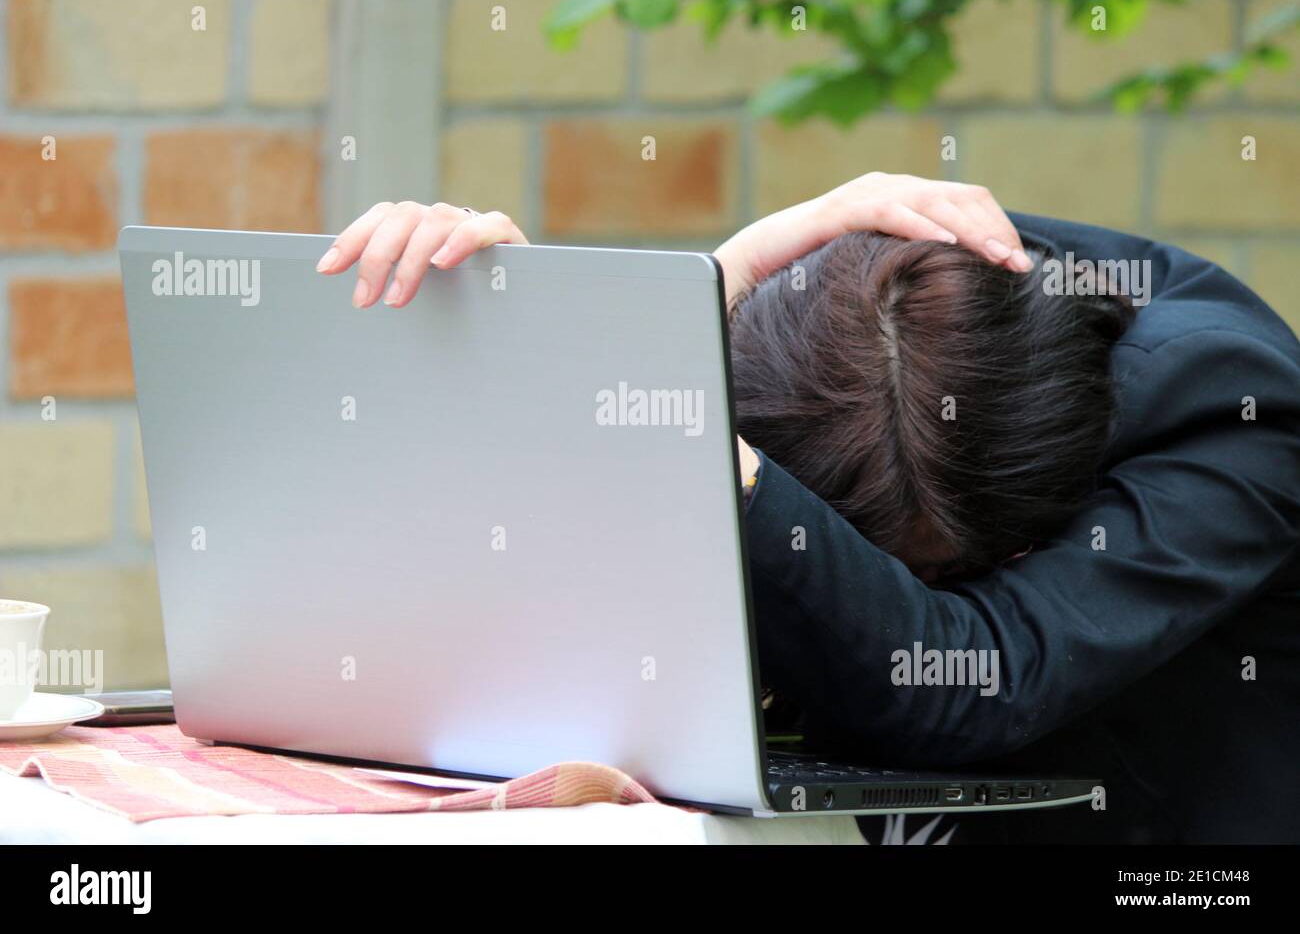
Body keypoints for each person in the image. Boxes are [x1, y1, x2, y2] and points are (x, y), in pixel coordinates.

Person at [318, 173, 1300, 843]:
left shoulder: (1231, 407)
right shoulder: (793, 362)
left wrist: (656, 396)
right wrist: (515, 347)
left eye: (932, 573)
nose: (873, 593)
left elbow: (966, 677)